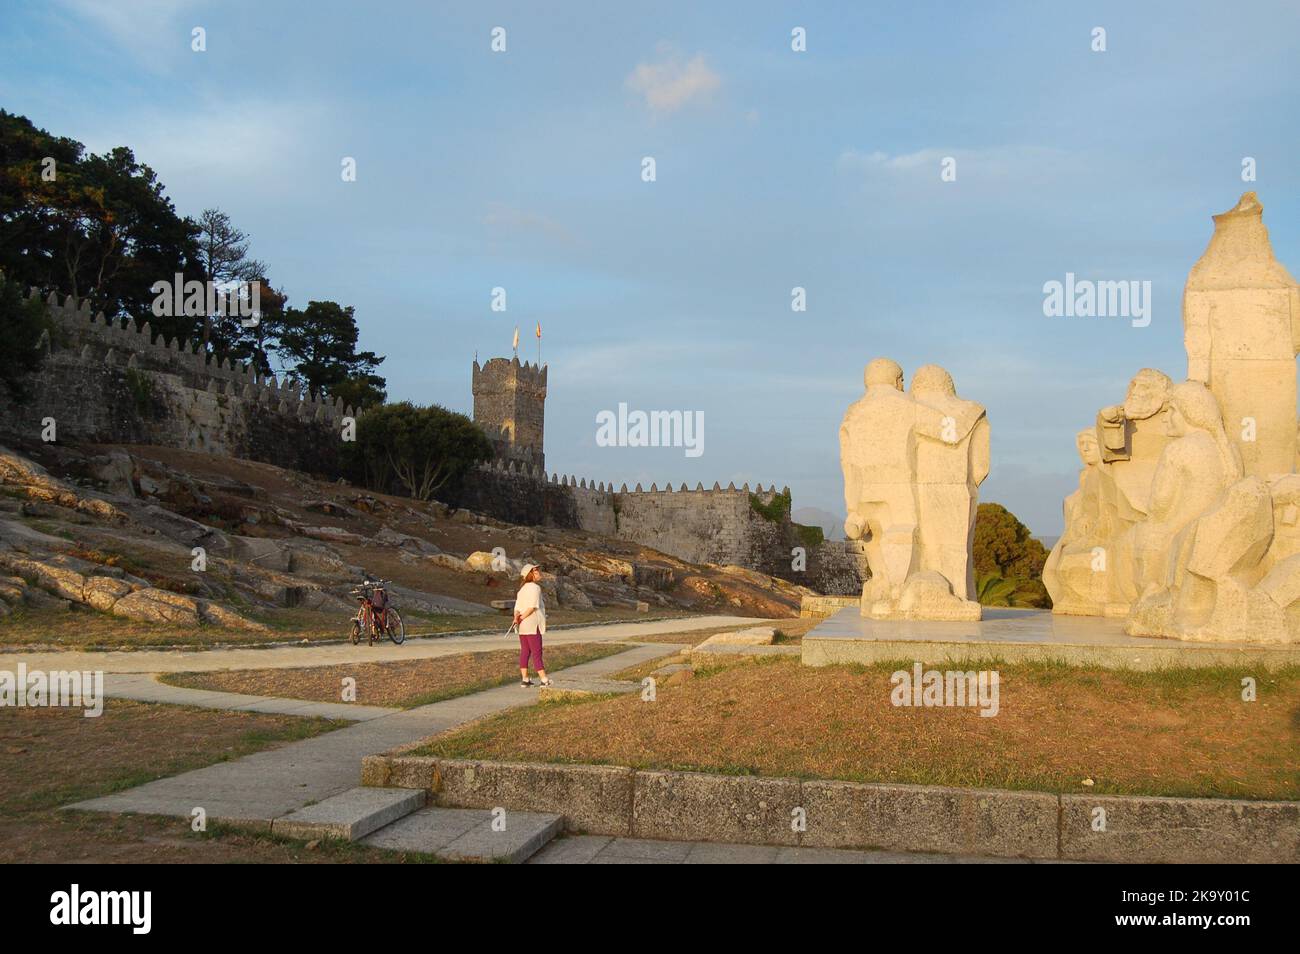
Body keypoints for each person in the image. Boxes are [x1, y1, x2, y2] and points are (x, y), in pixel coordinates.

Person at [513, 563, 551, 687]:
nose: (539, 573)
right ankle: (544, 679)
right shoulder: (535, 588)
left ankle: (525, 679)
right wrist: (522, 618)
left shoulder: (522, 589)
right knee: (536, 652)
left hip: (523, 626)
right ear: (530, 575)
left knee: (525, 651)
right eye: (535, 572)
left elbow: (517, 608)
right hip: (532, 623)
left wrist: (517, 619)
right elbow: (533, 607)